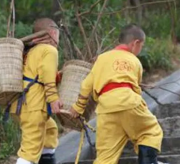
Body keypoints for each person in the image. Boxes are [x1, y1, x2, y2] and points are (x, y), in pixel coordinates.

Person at [69, 24, 163, 164]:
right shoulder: (135, 61)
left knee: (106, 156)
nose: (139, 50)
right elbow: (135, 89)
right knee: (150, 132)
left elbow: (85, 85)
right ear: (135, 43)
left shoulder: (101, 58)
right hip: (129, 103)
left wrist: (78, 108)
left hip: (106, 109)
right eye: (141, 46)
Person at [8, 18, 63, 164]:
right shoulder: (49, 50)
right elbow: (47, 76)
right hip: (33, 106)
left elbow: (36, 74)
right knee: (30, 151)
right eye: (58, 35)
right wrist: (54, 99)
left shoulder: (29, 51)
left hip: (19, 105)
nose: (58, 40)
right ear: (52, 32)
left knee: (50, 131)